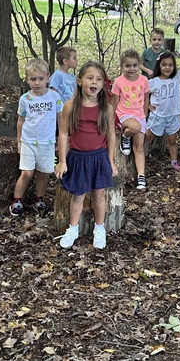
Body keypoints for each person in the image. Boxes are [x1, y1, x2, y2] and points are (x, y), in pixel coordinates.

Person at [56, 61, 117, 249]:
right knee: (78, 196)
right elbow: (64, 134)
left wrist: (111, 161)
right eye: (90, 77)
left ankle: (100, 229)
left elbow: (111, 135)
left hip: (99, 158)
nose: (94, 82)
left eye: (99, 79)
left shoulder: (106, 108)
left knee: (99, 196)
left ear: (103, 84)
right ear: (80, 80)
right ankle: (72, 229)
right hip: (77, 158)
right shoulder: (70, 106)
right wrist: (62, 161)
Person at [10, 59, 63, 216]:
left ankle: (39, 199)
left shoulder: (54, 97)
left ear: (48, 77)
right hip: (28, 142)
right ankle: (16, 200)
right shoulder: (25, 99)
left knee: (44, 173)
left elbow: (61, 118)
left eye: (41, 79)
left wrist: (61, 138)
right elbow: (21, 121)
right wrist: (19, 140)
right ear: (27, 80)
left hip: (47, 143)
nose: (37, 83)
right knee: (27, 173)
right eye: (33, 79)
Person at [111, 49, 150, 190]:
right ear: (122, 66)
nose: (131, 69)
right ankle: (125, 135)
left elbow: (146, 98)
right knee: (135, 128)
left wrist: (144, 114)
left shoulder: (144, 80)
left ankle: (141, 177)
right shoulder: (118, 81)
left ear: (139, 65)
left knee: (139, 148)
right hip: (124, 114)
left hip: (139, 115)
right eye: (127, 66)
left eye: (134, 65)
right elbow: (114, 102)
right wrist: (111, 119)